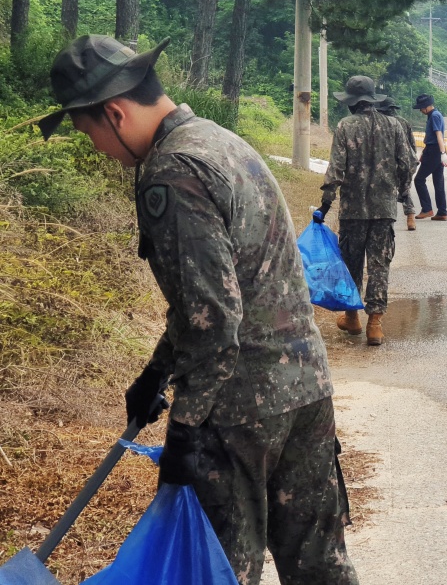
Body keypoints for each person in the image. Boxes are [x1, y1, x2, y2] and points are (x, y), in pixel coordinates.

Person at [40, 35, 359, 585]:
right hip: (305, 389)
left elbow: (215, 320)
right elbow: (213, 296)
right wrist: (156, 371)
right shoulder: (220, 141)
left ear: (114, 112)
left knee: (223, 572)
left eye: (87, 131)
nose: (95, 147)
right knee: (320, 566)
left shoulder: (172, 172)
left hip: (239, 414)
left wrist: (185, 427)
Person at [319, 76, 414, 346]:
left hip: (353, 211)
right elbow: (408, 163)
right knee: (379, 265)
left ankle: (352, 318)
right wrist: (401, 191)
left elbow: (335, 170)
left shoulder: (345, 126)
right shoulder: (393, 125)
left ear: (352, 103)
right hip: (383, 209)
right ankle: (375, 324)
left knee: (352, 263)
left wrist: (325, 205)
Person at [377, 96, 419, 231]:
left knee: (385, 190)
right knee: (405, 189)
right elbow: (413, 146)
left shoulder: (381, 123)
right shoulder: (404, 122)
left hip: (387, 163)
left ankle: (386, 221)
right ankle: (410, 217)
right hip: (406, 161)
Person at [412, 93, 447, 221]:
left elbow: (439, 135)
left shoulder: (434, 116)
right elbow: (431, 136)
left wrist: (443, 154)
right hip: (433, 150)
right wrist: (424, 151)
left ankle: (427, 209)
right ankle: (442, 212)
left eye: (421, 108)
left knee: (419, 180)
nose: (421, 111)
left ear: (427, 107)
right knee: (438, 182)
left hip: (435, 151)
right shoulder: (434, 115)